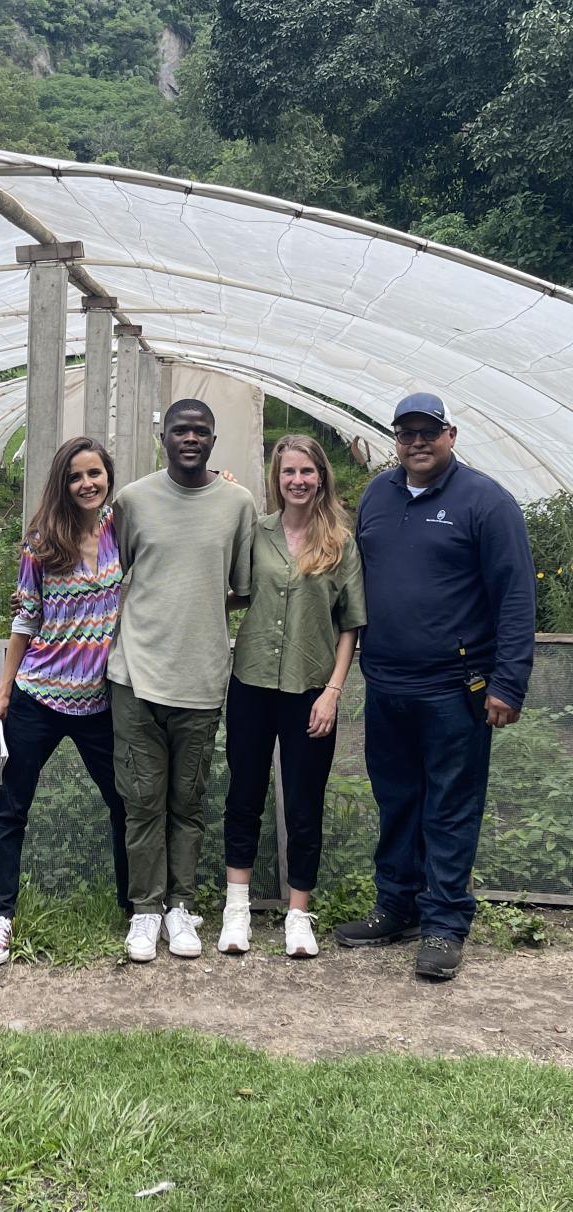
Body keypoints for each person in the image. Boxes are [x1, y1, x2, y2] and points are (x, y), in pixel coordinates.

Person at [335, 393, 536, 980]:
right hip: (388, 682)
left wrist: (509, 683)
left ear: (450, 434)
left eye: (428, 432)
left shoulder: (486, 502)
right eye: (406, 433)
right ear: (394, 438)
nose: (417, 443)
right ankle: (396, 906)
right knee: (396, 798)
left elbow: (516, 597)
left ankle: (445, 923)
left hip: (457, 686)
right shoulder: (377, 494)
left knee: (451, 805)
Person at [109, 398, 257, 963]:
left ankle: (181, 907)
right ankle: (145, 911)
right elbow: (110, 574)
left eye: (200, 431)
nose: (190, 439)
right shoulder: (134, 501)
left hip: (200, 678)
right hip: (135, 676)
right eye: (180, 431)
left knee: (188, 800)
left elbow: (242, 585)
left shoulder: (237, 504)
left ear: (213, 440)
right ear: (163, 438)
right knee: (142, 801)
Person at [0, 435, 127, 965]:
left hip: (98, 703)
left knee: (125, 804)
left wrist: (218, 483)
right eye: (75, 476)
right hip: (37, 696)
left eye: (95, 474)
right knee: (12, 808)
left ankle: (135, 912)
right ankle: (0, 919)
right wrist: (2, 693)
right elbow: (25, 619)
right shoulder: (41, 541)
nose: (87, 484)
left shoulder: (121, 530)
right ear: (61, 483)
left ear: (108, 477)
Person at [219, 435, 366, 960]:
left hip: (310, 688)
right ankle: (236, 907)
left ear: (321, 475)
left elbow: (350, 625)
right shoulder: (256, 532)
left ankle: (297, 914)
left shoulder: (340, 542)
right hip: (253, 683)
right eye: (288, 473)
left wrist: (332, 692)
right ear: (275, 480)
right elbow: (233, 589)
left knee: (304, 804)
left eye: (307, 471)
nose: (298, 481)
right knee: (244, 794)